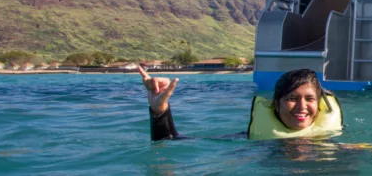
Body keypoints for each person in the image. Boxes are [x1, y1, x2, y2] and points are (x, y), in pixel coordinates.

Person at [140, 67, 344, 141]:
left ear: (319, 104)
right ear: (275, 104)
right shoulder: (250, 140)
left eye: (309, 99)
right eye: (292, 98)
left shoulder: (335, 141)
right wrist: (159, 108)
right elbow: (168, 141)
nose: (302, 106)